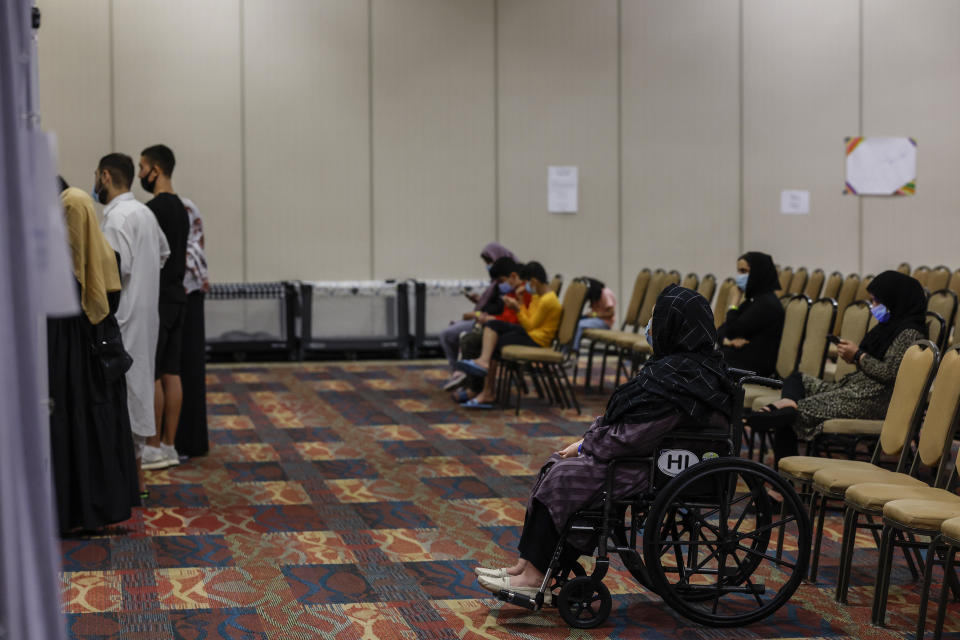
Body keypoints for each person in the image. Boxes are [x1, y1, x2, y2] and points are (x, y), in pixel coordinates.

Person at [473, 285, 735, 595]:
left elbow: (635, 437)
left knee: (563, 477)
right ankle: (528, 566)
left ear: (674, 326)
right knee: (555, 466)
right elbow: (629, 424)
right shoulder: (679, 370)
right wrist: (589, 440)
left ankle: (534, 577)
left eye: (655, 318)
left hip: (648, 465)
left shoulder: (684, 381)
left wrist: (587, 445)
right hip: (641, 455)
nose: (650, 326)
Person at [745, 270, 927, 467]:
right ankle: (788, 403)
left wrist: (858, 355)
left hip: (875, 399)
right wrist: (856, 356)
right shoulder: (889, 326)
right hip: (857, 388)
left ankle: (780, 486)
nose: (873, 307)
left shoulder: (909, 333)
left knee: (789, 418)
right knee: (798, 379)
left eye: (877, 301)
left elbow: (890, 374)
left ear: (895, 300)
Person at [49, 188, 140, 533]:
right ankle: (96, 508)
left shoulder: (58, 264)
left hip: (73, 362)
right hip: (95, 361)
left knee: (75, 428)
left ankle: (76, 509)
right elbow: (107, 304)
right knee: (91, 429)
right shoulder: (106, 255)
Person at [96, 153, 169, 494]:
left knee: (122, 397)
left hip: (122, 320)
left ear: (106, 176)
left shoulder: (115, 220)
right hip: (147, 316)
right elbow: (164, 254)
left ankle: (127, 478)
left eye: (96, 175)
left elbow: (111, 274)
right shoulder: (146, 213)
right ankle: (137, 475)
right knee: (139, 390)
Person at [138, 144, 190, 470]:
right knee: (172, 372)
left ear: (156, 169)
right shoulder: (182, 207)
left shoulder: (153, 209)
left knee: (153, 373)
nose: (140, 174)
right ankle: (170, 445)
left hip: (158, 298)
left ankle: (152, 448)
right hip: (179, 296)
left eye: (143, 167)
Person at [456, 261, 562, 409]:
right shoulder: (539, 297)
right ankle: (484, 366)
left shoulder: (548, 300)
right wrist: (519, 302)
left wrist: (516, 308)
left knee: (496, 340)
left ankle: (487, 388)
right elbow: (529, 318)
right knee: (492, 326)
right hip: (531, 333)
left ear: (534, 282)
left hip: (538, 339)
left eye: (527, 283)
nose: (525, 287)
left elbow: (529, 324)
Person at [439, 242, 516, 391]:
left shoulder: (510, 282)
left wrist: (478, 314)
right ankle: (462, 376)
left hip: (494, 322)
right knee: (462, 335)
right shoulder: (498, 282)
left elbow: (500, 310)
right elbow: (496, 305)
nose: (488, 266)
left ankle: (468, 381)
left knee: (465, 338)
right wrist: (480, 301)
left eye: (489, 262)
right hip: (490, 320)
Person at [175, 195, 210, 458]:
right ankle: (189, 440)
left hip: (183, 294)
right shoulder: (187, 207)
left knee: (183, 369)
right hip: (189, 293)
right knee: (188, 370)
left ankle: (185, 440)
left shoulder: (181, 208)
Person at [717, 252, 784, 376]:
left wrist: (734, 302)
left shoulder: (767, 304)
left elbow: (732, 330)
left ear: (759, 272)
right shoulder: (753, 300)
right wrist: (726, 341)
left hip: (753, 367)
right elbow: (721, 330)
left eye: (744, 271)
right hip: (738, 358)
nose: (739, 277)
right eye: (739, 271)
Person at [571, 277, 616, 352]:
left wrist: (594, 315)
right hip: (595, 320)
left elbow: (611, 313)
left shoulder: (605, 293)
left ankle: (573, 350)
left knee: (579, 324)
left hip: (605, 322)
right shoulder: (595, 295)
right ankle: (564, 350)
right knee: (573, 322)